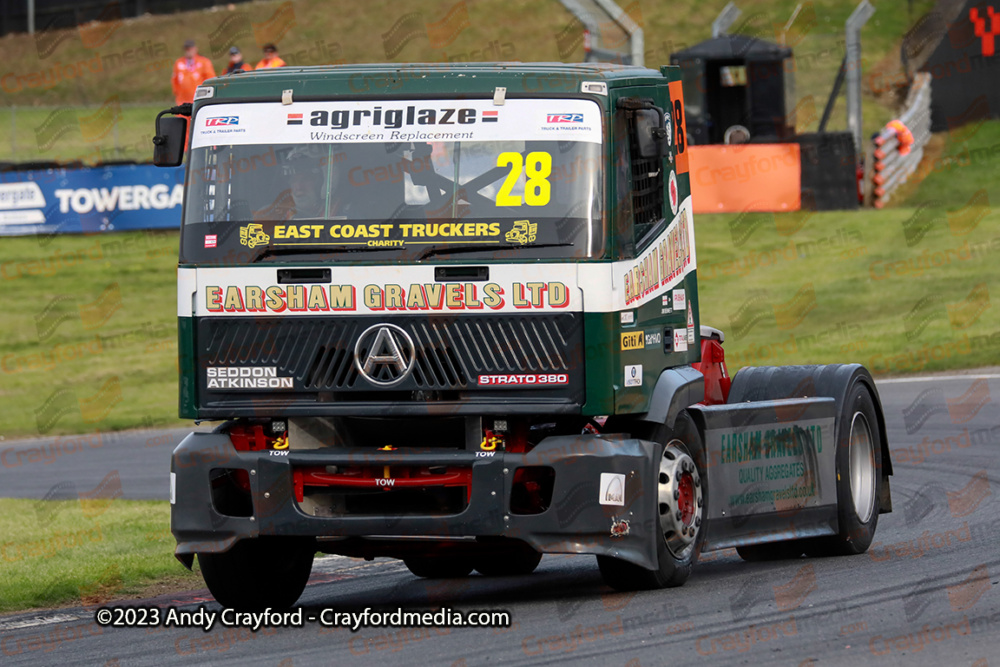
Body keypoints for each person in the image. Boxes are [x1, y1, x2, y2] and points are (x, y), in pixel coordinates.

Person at [171, 39, 216, 105]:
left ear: (195, 49)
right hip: (182, 101)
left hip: (199, 100)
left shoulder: (204, 62)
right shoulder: (179, 62)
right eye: (186, 49)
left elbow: (211, 80)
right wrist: (177, 93)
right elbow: (175, 80)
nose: (188, 51)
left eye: (190, 49)